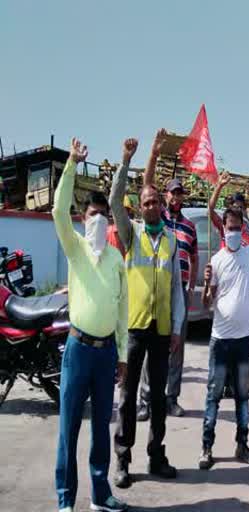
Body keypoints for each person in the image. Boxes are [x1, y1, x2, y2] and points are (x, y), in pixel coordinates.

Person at [52, 138, 129, 512]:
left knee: (101, 427)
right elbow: (56, 211)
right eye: (93, 215)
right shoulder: (76, 248)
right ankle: (65, 499)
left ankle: (101, 495)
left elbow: (121, 309)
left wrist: (123, 354)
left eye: (104, 216)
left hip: (105, 353)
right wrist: (71, 163)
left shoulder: (116, 258)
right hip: (79, 349)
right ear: (85, 220)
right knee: (69, 428)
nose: (99, 221)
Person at [110, 138, 184, 489]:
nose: (152, 206)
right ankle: (122, 460)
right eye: (147, 202)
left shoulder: (170, 240)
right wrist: (126, 162)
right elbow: (113, 201)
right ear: (139, 208)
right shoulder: (131, 234)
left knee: (157, 398)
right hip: (134, 330)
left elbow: (177, 291)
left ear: (161, 207)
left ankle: (157, 456)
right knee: (126, 398)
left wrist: (178, 329)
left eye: (156, 201)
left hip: (161, 330)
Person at [198, 207, 249, 470]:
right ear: (223, 230)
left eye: (236, 227)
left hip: (243, 341)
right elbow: (207, 304)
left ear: (242, 229)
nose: (232, 232)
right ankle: (207, 447)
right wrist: (207, 284)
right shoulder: (216, 261)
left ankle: (242, 445)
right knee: (214, 395)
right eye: (228, 227)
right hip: (220, 340)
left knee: (243, 396)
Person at [138, 130, 199, 419]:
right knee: (151, 346)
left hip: (180, 291)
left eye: (180, 193)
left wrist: (190, 287)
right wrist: (153, 153)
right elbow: (146, 184)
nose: (177, 197)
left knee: (177, 347)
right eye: (173, 193)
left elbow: (195, 255)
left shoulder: (189, 225)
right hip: (156, 290)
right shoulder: (159, 219)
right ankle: (146, 400)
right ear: (166, 197)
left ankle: (171, 398)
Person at [209, 172, 249, 248]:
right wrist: (219, 186)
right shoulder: (225, 226)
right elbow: (211, 209)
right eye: (235, 207)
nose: (238, 211)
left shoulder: (247, 226)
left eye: (241, 207)